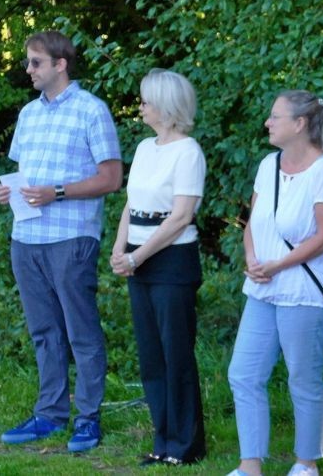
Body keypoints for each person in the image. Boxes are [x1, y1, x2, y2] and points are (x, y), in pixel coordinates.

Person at [0, 30, 122, 452]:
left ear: (60, 64)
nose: (28, 70)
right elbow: (27, 174)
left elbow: (111, 178)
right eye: (28, 63)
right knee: (44, 331)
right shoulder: (29, 114)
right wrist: (9, 192)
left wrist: (58, 192)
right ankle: (49, 414)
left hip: (71, 237)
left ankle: (88, 418)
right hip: (26, 236)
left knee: (80, 331)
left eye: (35, 62)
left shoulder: (92, 111)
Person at [227, 91, 323, 476]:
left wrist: (278, 264)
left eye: (275, 116)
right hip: (264, 288)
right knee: (243, 374)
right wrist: (253, 259)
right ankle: (250, 465)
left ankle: (306, 464)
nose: (268, 122)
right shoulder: (269, 164)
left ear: (299, 124)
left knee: (303, 377)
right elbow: (254, 221)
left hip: (304, 293)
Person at [108, 69, 207, 466]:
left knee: (176, 353)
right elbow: (132, 204)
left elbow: (181, 217)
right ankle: (162, 439)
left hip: (171, 260)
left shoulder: (189, 151)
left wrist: (138, 255)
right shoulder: (147, 147)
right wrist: (120, 249)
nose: (141, 106)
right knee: (151, 355)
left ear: (166, 107)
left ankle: (186, 445)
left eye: (147, 100)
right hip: (139, 255)